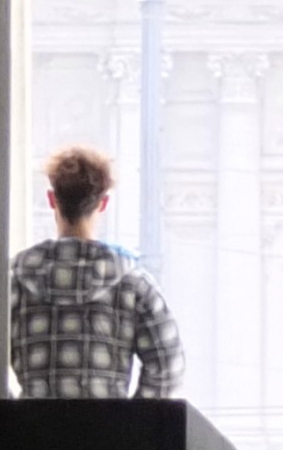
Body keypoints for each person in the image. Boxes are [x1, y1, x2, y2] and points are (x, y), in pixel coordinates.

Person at [10, 145, 184, 400]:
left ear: (52, 199)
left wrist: (12, 413)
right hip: (110, 425)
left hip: (29, 425)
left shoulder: (13, 278)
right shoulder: (133, 282)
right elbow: (167, 369)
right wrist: (129, 419)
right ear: (103, 203)